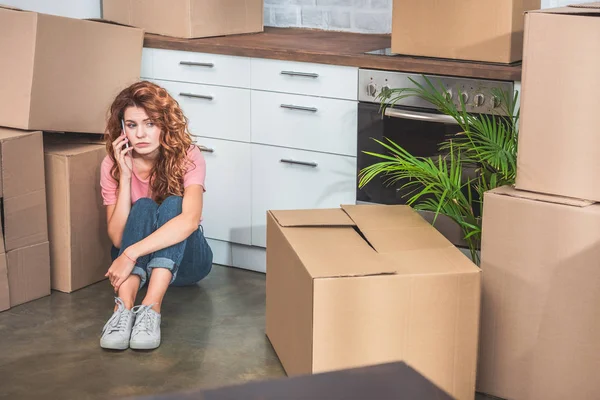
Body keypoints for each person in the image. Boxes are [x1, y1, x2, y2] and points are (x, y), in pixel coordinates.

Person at [98, 81, 213, 351]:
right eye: (132, 124)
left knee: (175, 205)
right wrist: (125, 177)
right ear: (122, 128)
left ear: (164, 124)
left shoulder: (188, 155)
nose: (141, 134)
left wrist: (130, 253)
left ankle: (151, 308)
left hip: (188, 264)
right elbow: (117, 237)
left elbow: (189, 221)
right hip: (137, 268)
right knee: (144, 207)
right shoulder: (111, 164)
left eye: (150, 123)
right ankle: (123, 310)